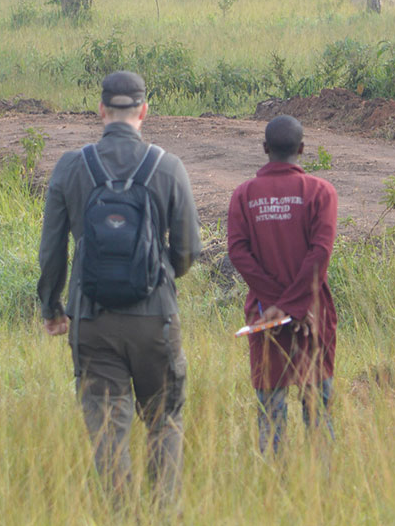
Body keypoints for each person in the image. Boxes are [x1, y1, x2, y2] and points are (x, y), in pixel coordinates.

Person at [37, 70, 200, 508]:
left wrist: (52, 307)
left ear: (101, 111)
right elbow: (186, 252)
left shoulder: (72, 166)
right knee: (164, 421)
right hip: (155, 319)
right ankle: (163, 514)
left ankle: (120, 515)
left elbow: (51, 250)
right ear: (144, 111)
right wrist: (157, 276)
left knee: (107, 427)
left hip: (91, 320)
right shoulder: (167, 166)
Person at [225, 115, 338, 453]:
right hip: (312, 316)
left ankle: (274, 485)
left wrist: (277, 307)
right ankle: (322, 488)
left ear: (265, 149)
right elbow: (321, 252)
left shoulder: (244, 195)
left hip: (265, 317)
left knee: (270, 414)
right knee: (318, 413)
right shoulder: (321, 192)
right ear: (302, 149)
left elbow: (238, 252)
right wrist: (295, 307)